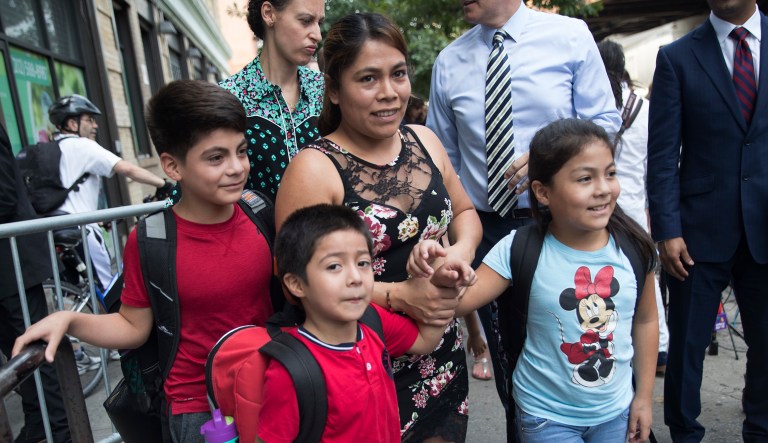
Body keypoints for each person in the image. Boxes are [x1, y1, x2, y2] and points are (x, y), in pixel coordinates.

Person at [14, 80, 276, 443]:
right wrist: (69, 319)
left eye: (241, 151)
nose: (236, 167)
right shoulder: (152, 239)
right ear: (172, 166)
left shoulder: (261, 212)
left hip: (272, 387)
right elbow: (133, 327)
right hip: (198, 409)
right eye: (216, 157)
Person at [275, 12, 482, 442]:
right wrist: (402, 296)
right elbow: (295, 281)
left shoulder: (425, 140)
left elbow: (465, 215)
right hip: (365, 364)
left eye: (398, 74)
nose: (389, 93)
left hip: (442, 356)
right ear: (334, 89)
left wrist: (455, 261)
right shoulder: (314, 169)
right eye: (368, 79)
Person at [426, 0, 622, 427]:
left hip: (562, 224)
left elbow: (606, 120)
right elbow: (443, 160)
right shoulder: (449, 61)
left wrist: (549, 154)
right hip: (490, 229)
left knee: (579, 338)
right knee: (509, 356)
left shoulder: (569, 37)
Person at [431, 118, 658, 443]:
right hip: (545, 419)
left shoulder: (634, 248)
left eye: (610, 173)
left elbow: (647, 320)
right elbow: (460, 302)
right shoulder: (519, 249)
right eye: (585, 178)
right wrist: (442, 273)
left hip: (616, 414)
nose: (604, 188)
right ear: (543, 191)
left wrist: (644, 398)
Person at [647, 0, 768, 440]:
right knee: (687, 347)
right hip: (696, 232)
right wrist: (668, 229)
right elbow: (661, 155)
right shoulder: (677, 56)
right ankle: (684, 433)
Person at [257, 204, 470, 442]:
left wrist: (439, 281)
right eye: (334, 266)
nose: (356, 277)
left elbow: (424, 341)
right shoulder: (291, 371)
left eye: (363, 263)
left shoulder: (372, 320)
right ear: (296, 284)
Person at [597, 39, 670, 375]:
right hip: (635, 203)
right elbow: (655, 164)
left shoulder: (594, 105)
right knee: (647, 275)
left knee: (604, 275)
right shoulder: (645, 107)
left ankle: (612, 343)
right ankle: (661, 348)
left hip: (599, 203)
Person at [47, 94, 170, 291]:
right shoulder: (82, 145)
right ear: (72, 123)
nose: (95, 125)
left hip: (54, 226)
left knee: (80, 288)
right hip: (81, 231)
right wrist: (163, 184)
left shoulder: (51, 148)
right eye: (89, 120)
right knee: (110, 289)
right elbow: (127, 169)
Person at [1, 123, 71, 443]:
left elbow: (4, 195)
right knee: (17, 357)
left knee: (34, 354)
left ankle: (60, 432)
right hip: (9, 265)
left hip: (13, 263)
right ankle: (39, 425)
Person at [218, 0, 325, 202]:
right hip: (260, 231)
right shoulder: (229, 97)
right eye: (306, 21)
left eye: (319, 22)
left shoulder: (326, 89)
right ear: (269, 14)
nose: (317, 34)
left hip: (329, 229)